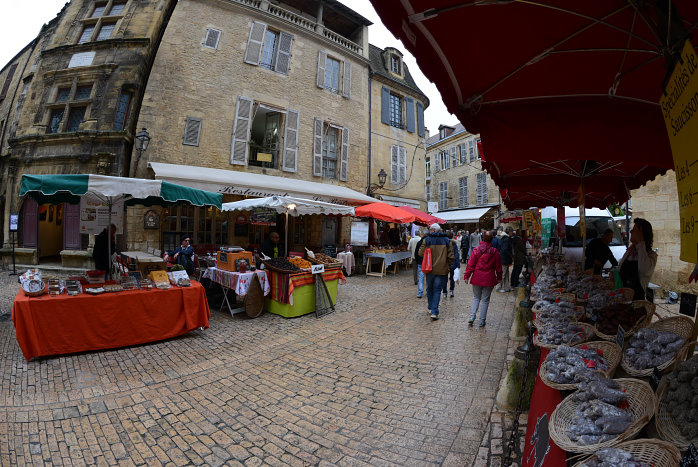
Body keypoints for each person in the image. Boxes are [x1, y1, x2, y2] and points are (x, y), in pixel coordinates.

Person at [463, 230, 502, 327]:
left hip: (477, 277)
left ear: (482, 238)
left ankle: (472, 317)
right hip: (489, 278)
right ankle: (482, 320)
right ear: (492, 239)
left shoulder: (476, 250)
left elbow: (470, 264)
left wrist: (467, 276)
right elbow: (498, 267)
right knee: (485, 300)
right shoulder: (495, 252)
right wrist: (499, 278)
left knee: (476, 298)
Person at [418, 223, 454, 320]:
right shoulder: (447, 240)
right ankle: (434, 312)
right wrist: (447, 265)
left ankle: (430, 308)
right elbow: (451, 256)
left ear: (433, 230)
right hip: (441, 269)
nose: (429, 230)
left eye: (430, 229)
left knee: (430, 289)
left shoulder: (427, 240)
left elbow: (420, 253)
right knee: (437, 290)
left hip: (429, 268)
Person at [618, 218, 657, 300]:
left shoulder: (651, 256)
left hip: (636, 302)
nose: (631, 232)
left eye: (634, 230)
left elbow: (644, 270)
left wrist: (640, 242)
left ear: (641, 234)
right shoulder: (630, 252)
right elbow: (619, 268)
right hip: (621, 299)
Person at [441, 230, 461, 298]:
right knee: (452, 278)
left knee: (444, 278)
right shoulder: (454, 244)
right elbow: (456, 255)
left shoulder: (443, 244)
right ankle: (451, 290)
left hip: (444, 263)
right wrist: (458, 265)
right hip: (453, 263)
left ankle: (444, 292)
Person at [498, 227, 514, 292]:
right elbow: (505, 249)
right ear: (509, 232)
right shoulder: (507, 239)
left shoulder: (504, 238)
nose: (512, 233)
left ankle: (507, 287)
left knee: (506, 273)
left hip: (505, 259)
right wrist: (511, 255)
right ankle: (499, 287)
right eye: (512, 231)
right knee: (503, 274)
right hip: (505, 259)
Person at [414, 231, 427, 298]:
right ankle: (428, 291)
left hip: (420, 262)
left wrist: (418, 260)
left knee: (421, 278)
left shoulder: (419, 243)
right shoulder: (430, 243)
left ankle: (420, 293)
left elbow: (416, 253)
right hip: (428, 263)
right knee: (428, 278)